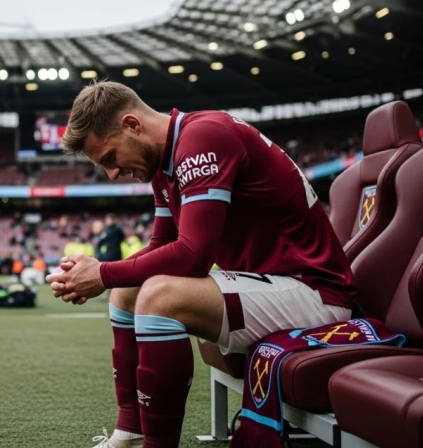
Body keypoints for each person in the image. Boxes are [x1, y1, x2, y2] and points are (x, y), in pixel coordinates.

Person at [45, 80, 355, 448]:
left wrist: (102, 274)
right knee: (128, 290)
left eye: (110, 158)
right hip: (271, 283)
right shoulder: (166, 161)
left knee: (160, 296)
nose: (113, 173)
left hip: (316, 294)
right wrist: (101, 273)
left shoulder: (203, 137)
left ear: (132, 125)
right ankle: (129, 431)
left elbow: (193, 255)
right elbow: (161, 245)